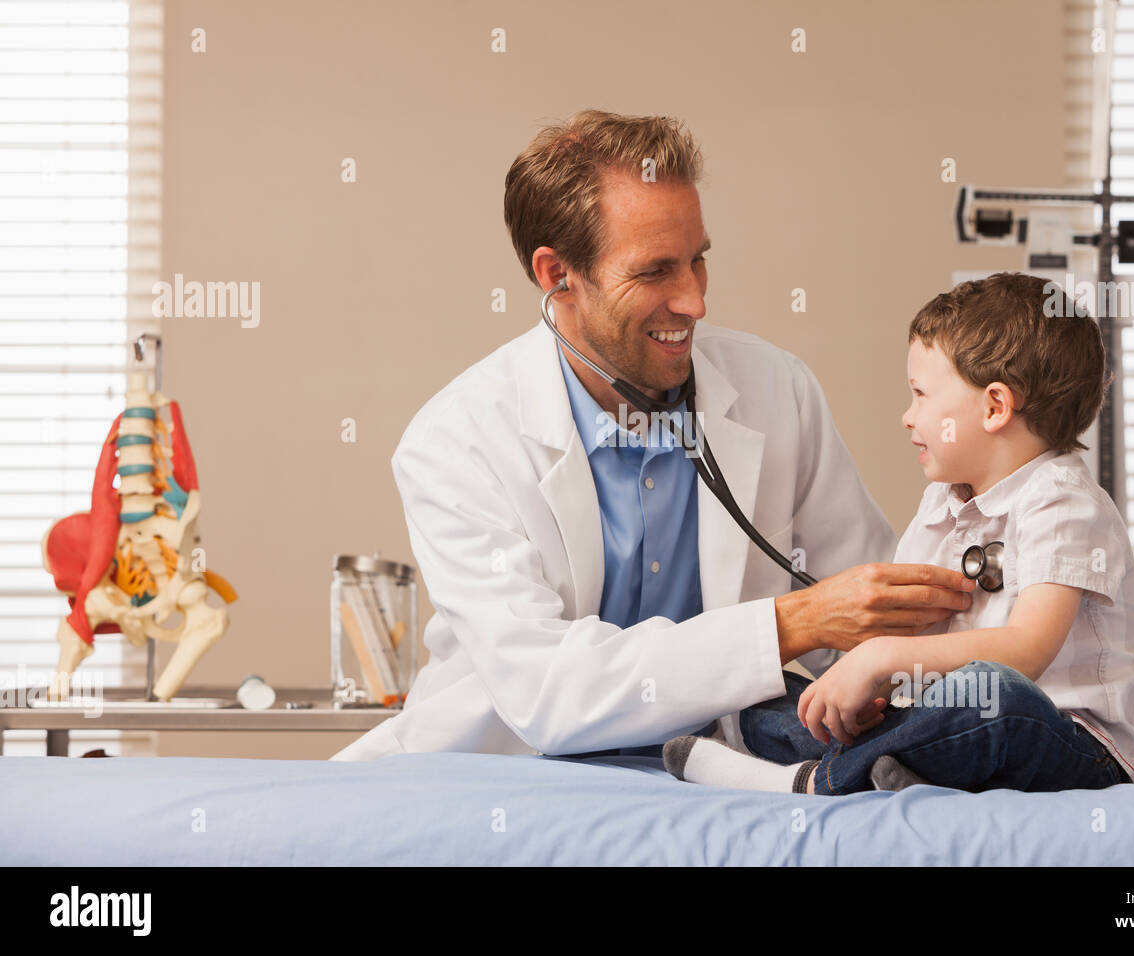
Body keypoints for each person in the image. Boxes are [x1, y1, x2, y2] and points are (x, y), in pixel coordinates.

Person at [331, 109, 976, 761]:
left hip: (716, 775)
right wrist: (789, 625)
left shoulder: (777, 391)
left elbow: (872, 619)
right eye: (655, 271)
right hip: (507, 771)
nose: (695, 301)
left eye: (698, 261)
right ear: (557, 275)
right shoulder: (458, 442)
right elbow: (550, 696)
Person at [664, 272, 1134, 794]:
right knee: (761, 692)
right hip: (945, 720)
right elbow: (908, 638)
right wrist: (871, 687)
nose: (907, 416)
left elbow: (1027, 649)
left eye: (920, 394)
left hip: (1066, 739)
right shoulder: (943, 501)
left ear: (994, 407)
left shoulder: (1062, 502)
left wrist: (881, 659)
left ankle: (811, 780)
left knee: (991, 693)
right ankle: (885, 765)